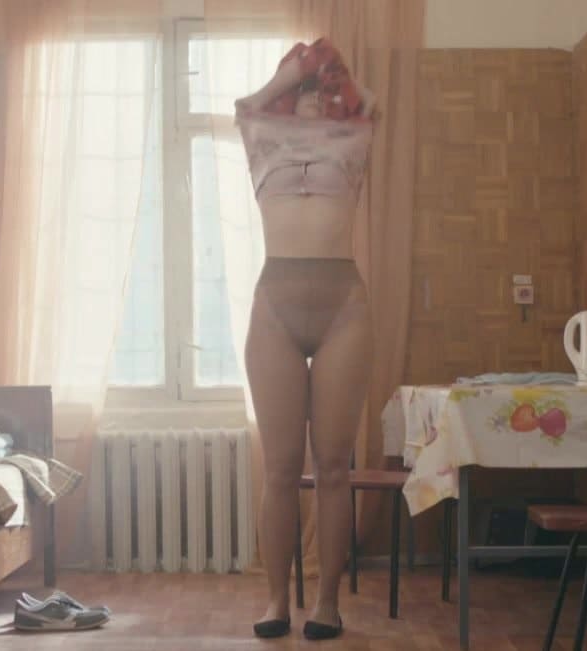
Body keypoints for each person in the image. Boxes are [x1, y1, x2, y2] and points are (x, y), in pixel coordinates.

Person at [234, 38, 375, 641]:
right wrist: (289, 74)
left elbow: (370, 102)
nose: (314, 98)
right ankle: (274, 599)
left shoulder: (354, 134)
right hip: (276, 310)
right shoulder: (263, 137)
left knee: (334, 467)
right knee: (281, 468)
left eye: (323, 90)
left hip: (344, 308)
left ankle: (327, 603)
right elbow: (245, 106)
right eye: (305, 92)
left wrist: (331, 72)